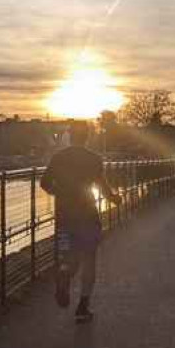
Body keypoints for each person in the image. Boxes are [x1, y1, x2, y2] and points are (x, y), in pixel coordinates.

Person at [40, 121, 121, 323]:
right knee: (89, 258)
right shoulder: (94, 159)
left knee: (68, 254)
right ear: (87, 136)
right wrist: (114, 199)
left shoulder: (59, 158)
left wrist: (59, 192)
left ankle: (65, 274)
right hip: (88, 216)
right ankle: (83, 307)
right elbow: (103, 187)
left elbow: (44, 183)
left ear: (70, 135)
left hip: (64, 217)